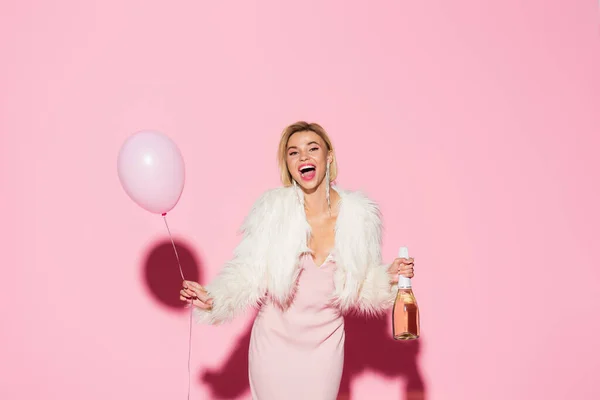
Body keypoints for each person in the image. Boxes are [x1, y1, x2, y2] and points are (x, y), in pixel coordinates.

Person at [180, 121, 415, 400]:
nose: (303, 157)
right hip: (273, 345)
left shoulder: (359, 217)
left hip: (325, 347)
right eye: (293, 152)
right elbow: (247, 271)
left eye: (312, 148)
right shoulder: (273, 211)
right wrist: (214, 299)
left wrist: (387, 275)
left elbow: (361, 284)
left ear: (328, 157)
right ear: (288, 164)